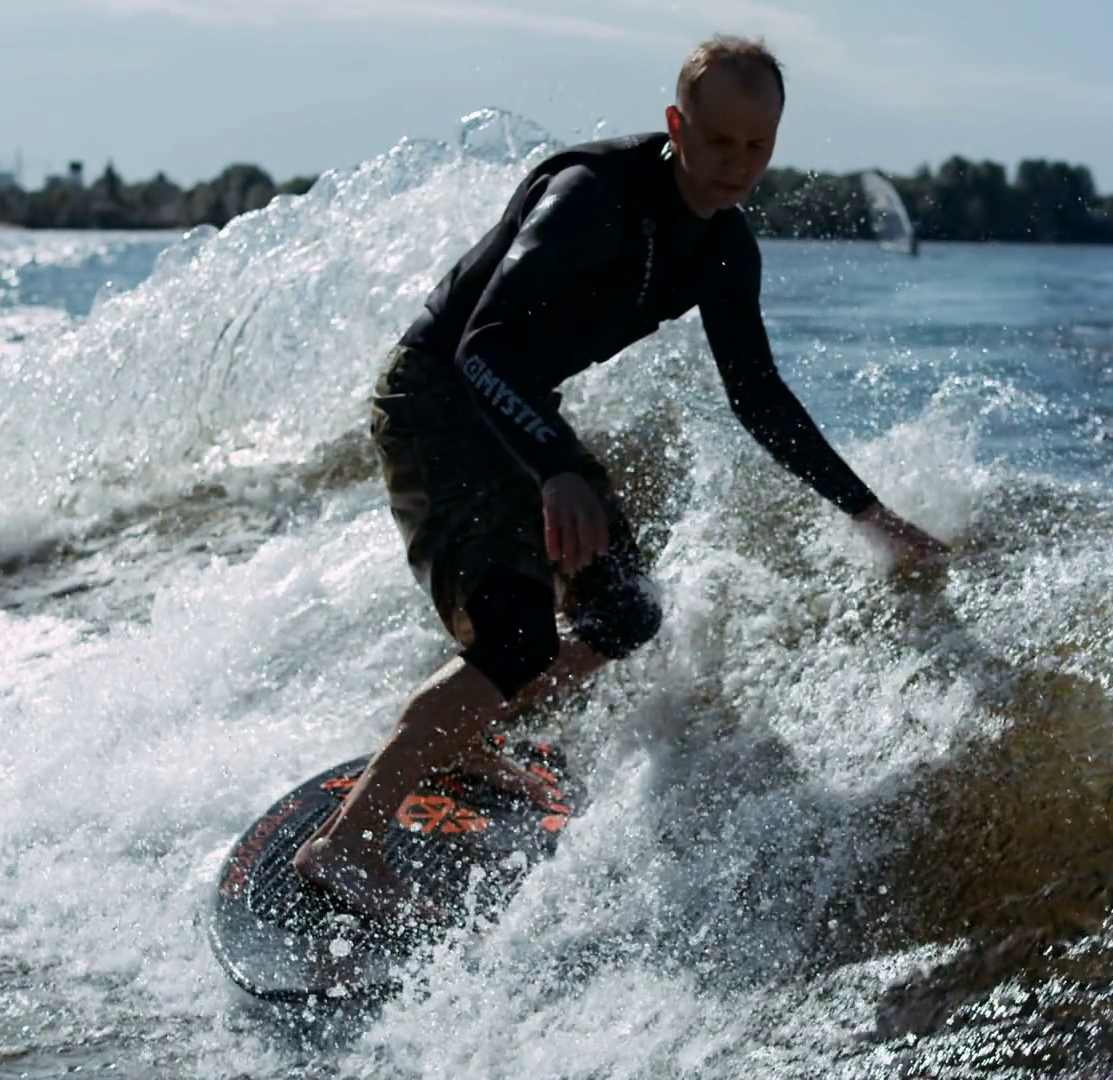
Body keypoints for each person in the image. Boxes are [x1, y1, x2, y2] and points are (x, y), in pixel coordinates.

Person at [294, 35, 947, 919]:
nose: (738, 168)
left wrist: (870, 514)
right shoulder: (591, 197)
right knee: (516, 638)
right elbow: (480, 345)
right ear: (678, 124)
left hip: (520, 413)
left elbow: (758, 399)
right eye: (720, 144)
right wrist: (559, 467)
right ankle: (346, 844)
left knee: (623, 610)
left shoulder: (724, 249)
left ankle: (466, 736)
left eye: (759, 148)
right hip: (440, 401)